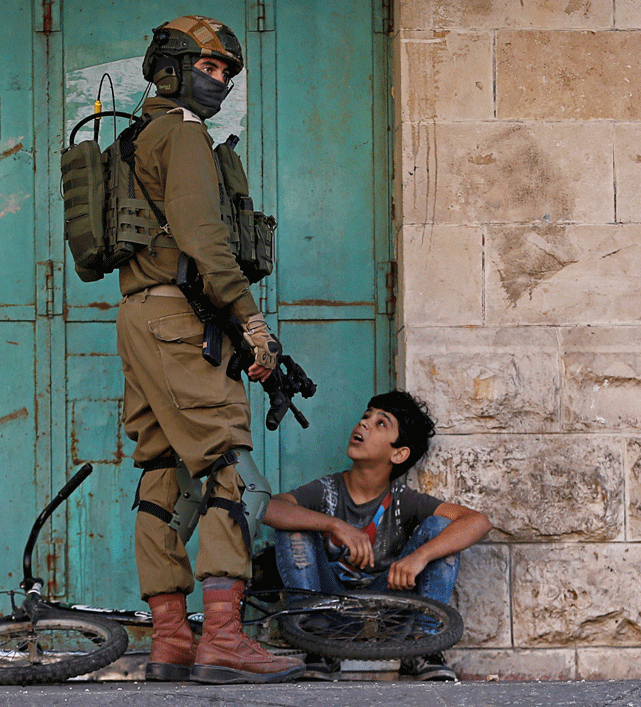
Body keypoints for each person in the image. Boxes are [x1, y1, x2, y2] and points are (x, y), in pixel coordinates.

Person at [116, 16, 305, 685]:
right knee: (231, 469)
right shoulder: (185, 135)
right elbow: (203, 235)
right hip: (181, 318)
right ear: (171, 67)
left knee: (162, 472)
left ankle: (171, 637)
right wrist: (251, 324)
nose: (218, 80)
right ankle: (223, 636)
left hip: (142, 317)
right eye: (209, 66)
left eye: (226, 71)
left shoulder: (138, 136)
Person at [263, 390, 493, 681]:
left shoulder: (404, 501)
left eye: (381, 423)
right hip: (329, 610)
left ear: (399, 453)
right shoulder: (327, 491)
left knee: (440, 530)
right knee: (292, 525)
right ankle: (316, 646)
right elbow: (268, 507)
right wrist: (334, 525)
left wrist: (419, 558)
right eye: (365, 417)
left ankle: (422, 645)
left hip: (387, 612)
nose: (364, 425)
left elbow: (478, 522)